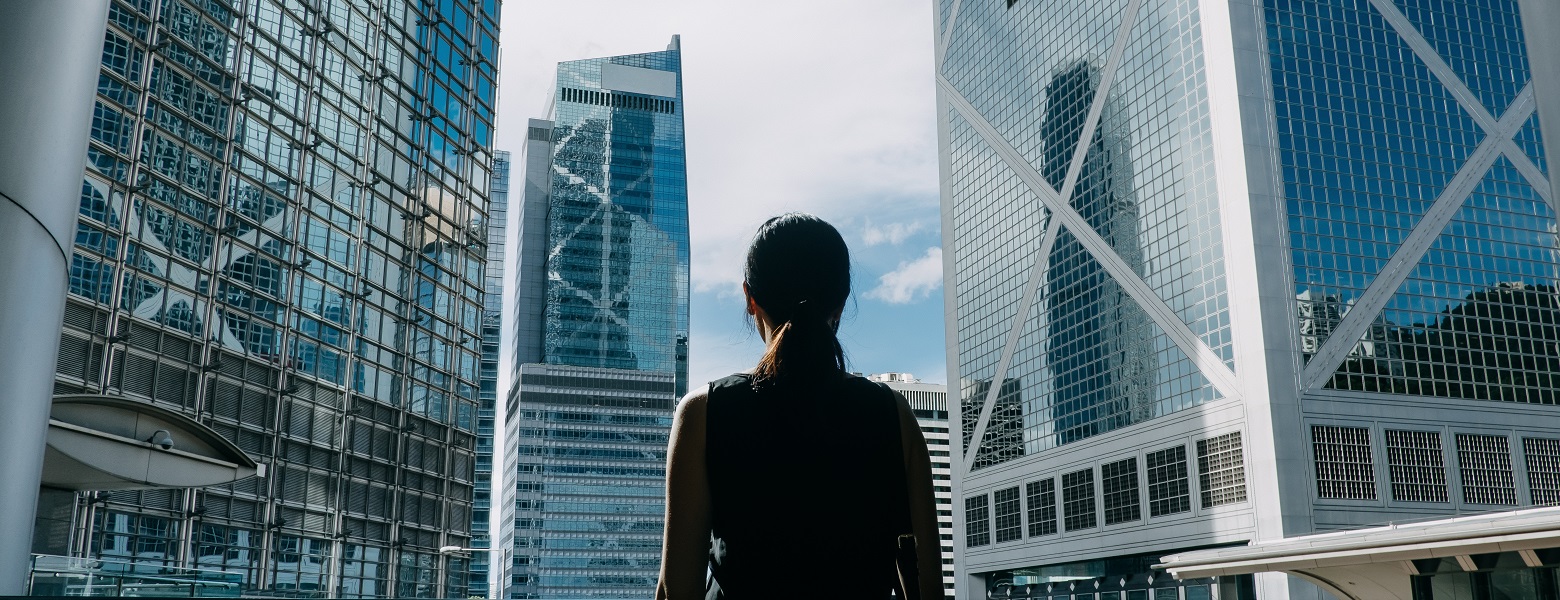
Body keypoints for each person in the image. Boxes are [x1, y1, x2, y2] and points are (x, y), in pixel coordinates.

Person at [657, 213, 942, 599]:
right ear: (841, 303)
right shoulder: (893, 414)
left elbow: (676, 590)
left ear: (749, 299)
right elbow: (926, 586)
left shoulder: (703, 413)